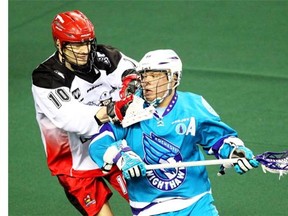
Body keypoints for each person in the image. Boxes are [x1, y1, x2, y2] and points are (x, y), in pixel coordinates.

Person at [88, 49, 259, 216]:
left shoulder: (193, 105)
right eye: (144, 76)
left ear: (174, 77)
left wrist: (234, 151)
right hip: (149, 207)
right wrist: (121, 155)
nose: (147, 82)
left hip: (196, 200)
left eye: (154, 76)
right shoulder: (127, 108)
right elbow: (98, 144)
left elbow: (219, 139)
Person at [31, 10, 139, 216]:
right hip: (74, 163)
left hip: (114, 146)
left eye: (87, 42)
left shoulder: (104, 56)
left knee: (151, 200)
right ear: (59, 45)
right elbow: (72, 119)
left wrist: (131, 86)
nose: (84, 50)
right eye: (76, 45)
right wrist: (115, 108)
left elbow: (133, 72)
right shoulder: (46, 77)